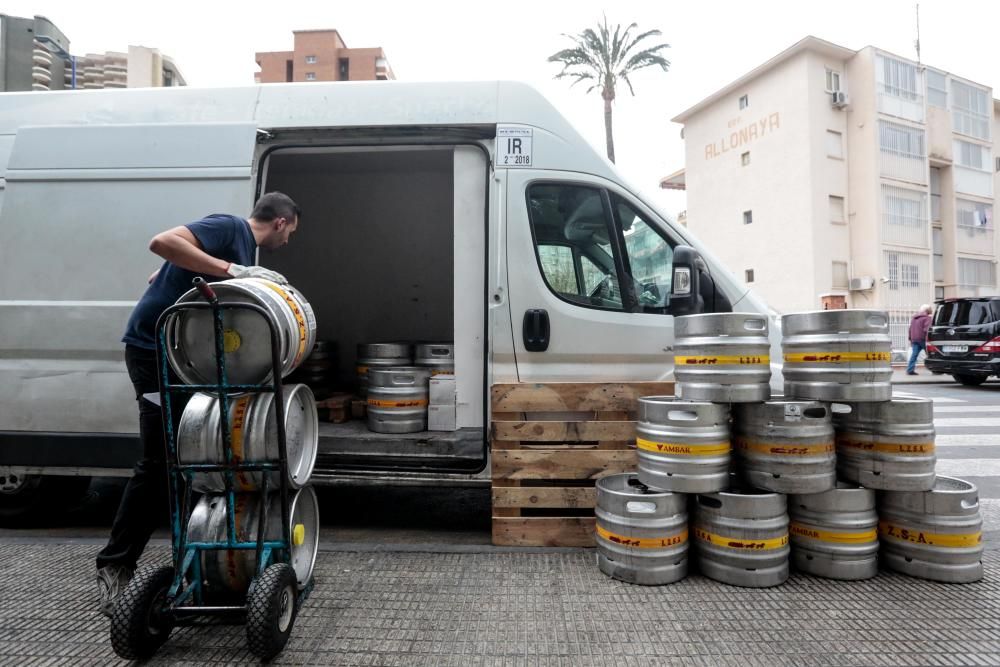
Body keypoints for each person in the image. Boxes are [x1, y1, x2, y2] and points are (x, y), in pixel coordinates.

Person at [95, 192, 301, 616]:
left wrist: (176, 271)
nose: (288, 242)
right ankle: (115, 567)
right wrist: (229, 269)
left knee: (194, 460)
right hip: (153, 354)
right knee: (158, 462)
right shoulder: (231, 227)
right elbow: (161, 242)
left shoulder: (242, 245)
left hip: (185, 358)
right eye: (292, 232)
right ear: (281, 221)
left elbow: (171, 264)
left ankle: (197, 563)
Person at [906, 304, 933, 376]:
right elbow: (926, 330)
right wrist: (930, 339)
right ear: (928, 311)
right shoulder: (927, 318)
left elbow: (910, 329)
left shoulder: (914, 318)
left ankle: (910, 370)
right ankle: (935, 369)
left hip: (914, 339)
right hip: (923, 339)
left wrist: (910, 339)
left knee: (914, 355)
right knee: (931, 354)